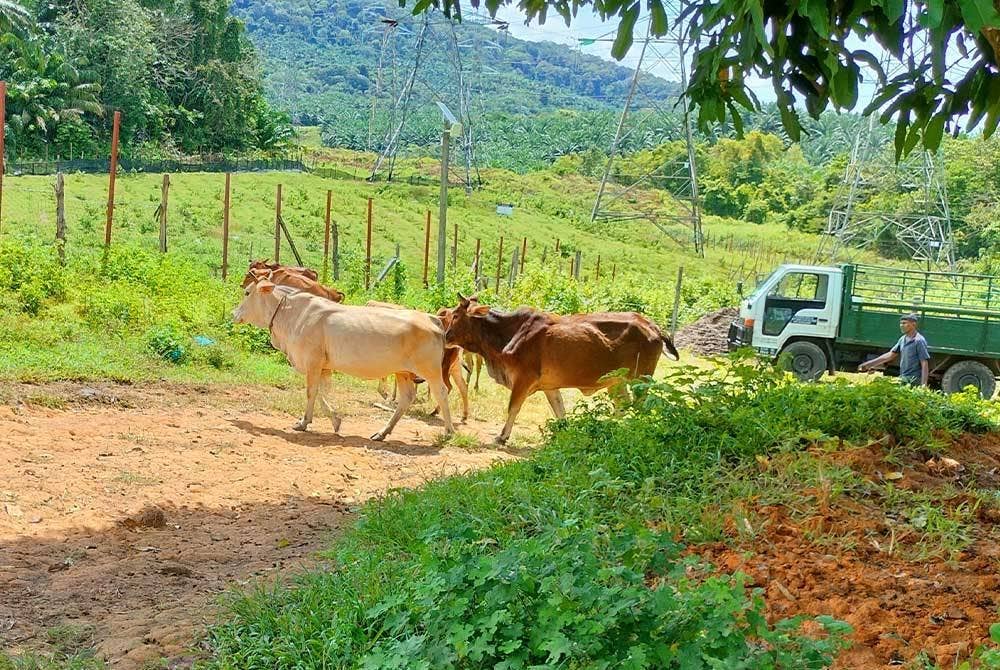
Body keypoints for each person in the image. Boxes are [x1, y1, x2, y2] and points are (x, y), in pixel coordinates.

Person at [858, 313, 930, 387]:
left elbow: (924, 363)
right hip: (903, 377)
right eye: (901, 323)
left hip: (914, 379)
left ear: (913, 324)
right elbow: (891, 355)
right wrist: (869, 364)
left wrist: (923, 385)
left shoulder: (919, 341)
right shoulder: (902, 339)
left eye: (904, 323)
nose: (901, 325)